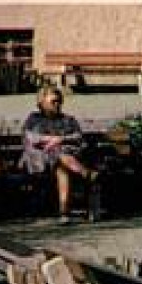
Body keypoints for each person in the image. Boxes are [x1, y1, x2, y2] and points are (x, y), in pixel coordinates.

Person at [21, 85, 94, 220]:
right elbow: (31, 137)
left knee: (62, 169)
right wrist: (53, 140)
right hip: (40, 161)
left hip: (62, 161)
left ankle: (64, 212)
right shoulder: (33, 119)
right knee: (59, 156)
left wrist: (60, 139)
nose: (57, 104)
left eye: (59, 101)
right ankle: (87, 173)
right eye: (53, 102)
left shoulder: (68, 119)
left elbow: (78, 137)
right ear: (41, 103)